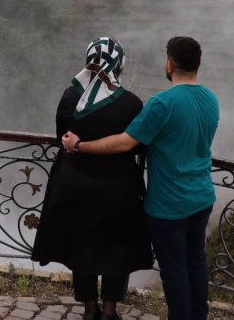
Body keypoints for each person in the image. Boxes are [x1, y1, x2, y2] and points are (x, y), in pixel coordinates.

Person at [62, 36, 219, 320]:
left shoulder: (162, 104)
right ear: (197, 65)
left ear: (169, 63)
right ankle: (199, 315)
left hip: (170, 204)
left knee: (174, 271)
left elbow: (125, 143)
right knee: (196, 261)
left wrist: (79, 146)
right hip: (202, 197)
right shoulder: (211, 99)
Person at [31, 37, 153, 320]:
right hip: (117, 188)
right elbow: (139, 144)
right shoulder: (132, 104)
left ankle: (89, 309)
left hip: (74, 184)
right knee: (116, 249)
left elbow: (61, 137)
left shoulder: (70, 97)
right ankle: (109, 312)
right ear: (118, 65)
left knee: (81, 246)